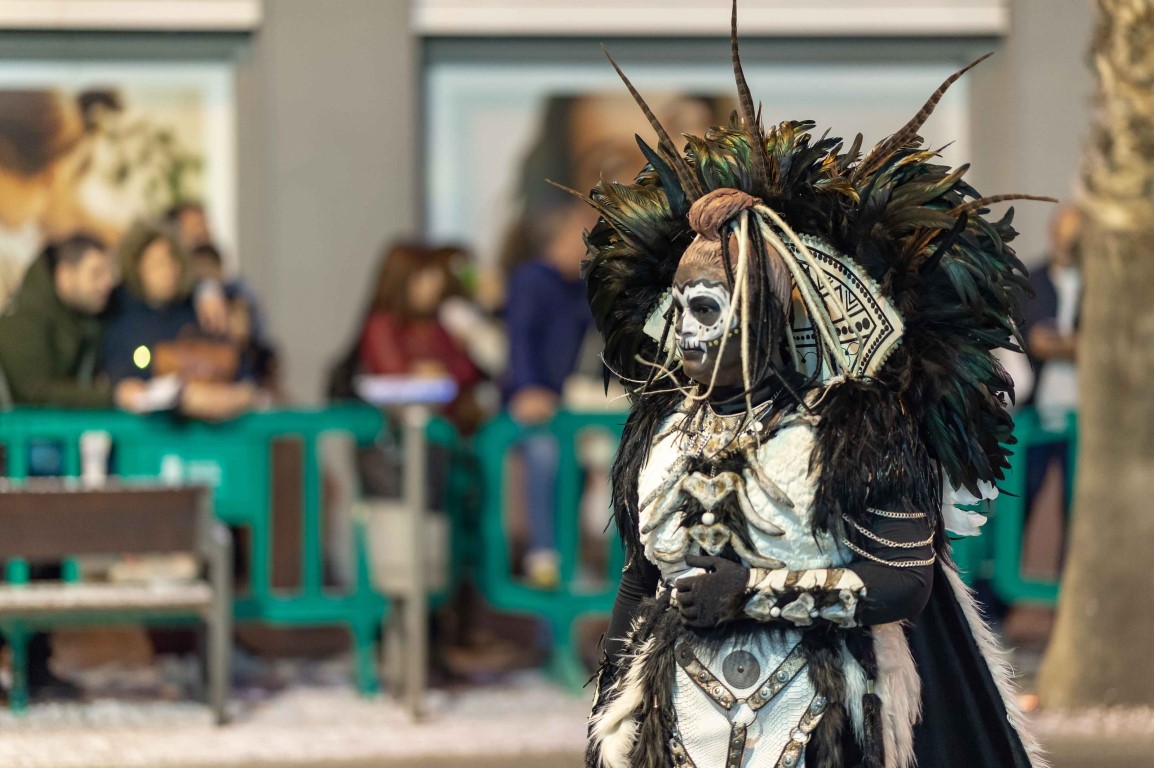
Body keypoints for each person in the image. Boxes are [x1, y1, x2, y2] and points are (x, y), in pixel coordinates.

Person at [582, 11, 1046, 768]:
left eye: (707, 308)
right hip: (676, 717)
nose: (684, 329)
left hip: (829, 713)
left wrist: (751, 593)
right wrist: (609, 702)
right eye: (678, 306)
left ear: (765, 314)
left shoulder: (854, 425)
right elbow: (641, 580)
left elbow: (901, 584)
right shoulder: (658, 430)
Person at [503, 198, 596, 588]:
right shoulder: (532, 280)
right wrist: (527, 388)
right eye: (582, 234)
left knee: (577, 469)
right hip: (533, 404)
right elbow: (520, 338)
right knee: (545, 455)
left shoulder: (581, 287)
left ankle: (567, 555)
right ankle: (543, 553)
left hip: (567, 406)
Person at [100, 221, 255, 421]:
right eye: (156, 264)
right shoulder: (121, 313)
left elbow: (241, 374)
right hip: (150, 430)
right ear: (137, 268)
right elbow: (127, 385)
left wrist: (231, 397)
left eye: (171, 261)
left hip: (214, 429)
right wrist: (183, 397)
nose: (167, 271)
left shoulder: (200, 310)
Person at [0, 233, 145, 411]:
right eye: (96, 274)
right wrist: (112, 396)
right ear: (65, 275)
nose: (107, 283)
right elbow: (34, 393)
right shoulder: (25, 317)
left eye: (109, 273)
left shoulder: (91, 315)